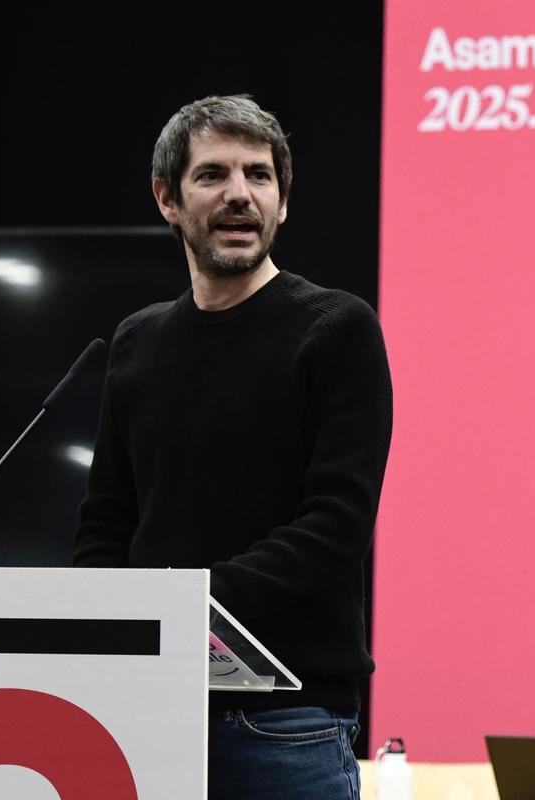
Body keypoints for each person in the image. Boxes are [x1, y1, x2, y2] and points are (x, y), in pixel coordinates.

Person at [74, 94, 393, 800]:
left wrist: (186, 607)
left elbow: (336, 523)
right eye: (213, 175)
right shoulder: (136, 340)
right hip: (146, 714)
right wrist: (111, 631)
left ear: (282, 202)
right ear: (168, 198)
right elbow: (105, 525)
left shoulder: (336, 329)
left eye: (259, 175)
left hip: (285, 726)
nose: (240, 195)